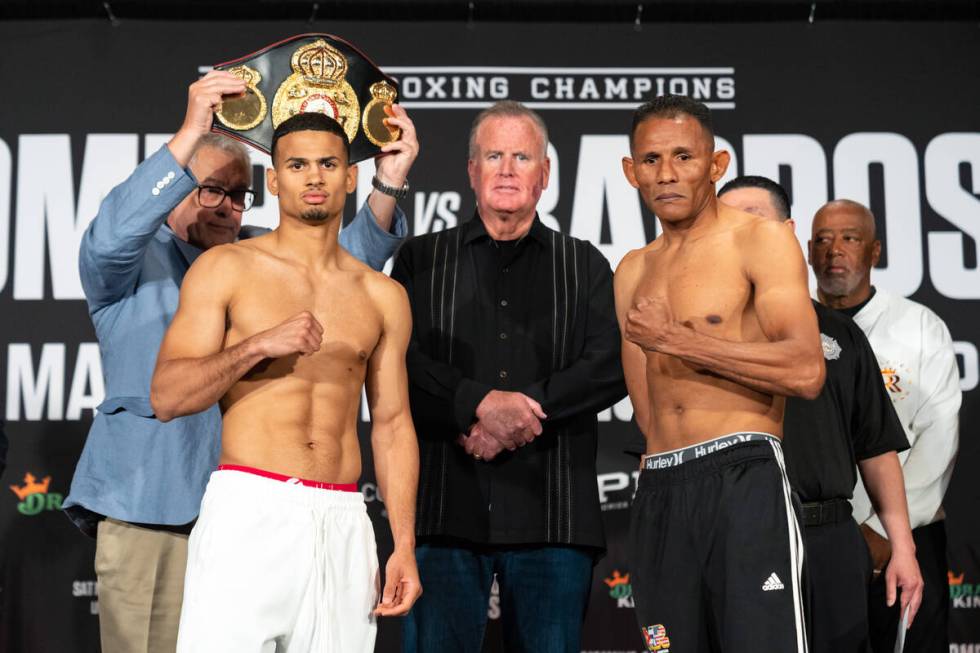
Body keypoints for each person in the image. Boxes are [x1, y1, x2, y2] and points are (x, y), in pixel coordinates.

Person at [63, 70, 417, 653]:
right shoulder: (129, 262)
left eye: (239, 194)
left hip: (263, 498)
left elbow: (339, 271)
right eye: (209, 190)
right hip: (155, 502)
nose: (227, 207)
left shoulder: (254, 256)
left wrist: (389, 183)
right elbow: (112, 232)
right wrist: (190, 132)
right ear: (174, 187)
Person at [148, 111, 421, 652]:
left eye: (328, 164)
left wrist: (404, 544)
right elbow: (167, 396)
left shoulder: (381, 295)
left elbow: (391, 425)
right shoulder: (227, 268)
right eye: (297, 164)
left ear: (351, 177)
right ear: (273, 180)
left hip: (344, 520)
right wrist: (255, 346)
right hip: (249, 511)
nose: (313, 177)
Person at [391, 100, 626, 653]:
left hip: (554, 520)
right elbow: (398, 363)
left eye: (522, 156)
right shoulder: (420, 261)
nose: (506, 168)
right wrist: (476, 403)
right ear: (471, 170)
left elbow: (610, 365)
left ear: (545, 175)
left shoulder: (584, 263)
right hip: (444, 513)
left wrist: (520, 412)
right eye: (493, 155)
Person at [615, 95, 825, 652]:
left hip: (742, 476)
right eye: (652, 160)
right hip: (660, 486)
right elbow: (646, 408)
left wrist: (678, 340)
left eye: (684, 156)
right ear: (631, 171)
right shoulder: (631, 271)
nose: (667, 174)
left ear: (716, 164)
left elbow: (806, 369)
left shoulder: (761, 240)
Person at [719, 176, 923, 652]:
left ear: (788, 231)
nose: (741, 236)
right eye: (727, 226)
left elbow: (875, 446)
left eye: (755, 222)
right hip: (735, 538)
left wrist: (904, 547)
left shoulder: (840, 335)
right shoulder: (698, 338)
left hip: (828, 537)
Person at [810, 199, 961, 653]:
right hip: (818, 538)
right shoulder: (789, 329)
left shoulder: (919, 327)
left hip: (907, 537)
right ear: (806, 251)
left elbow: (940, 435)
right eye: (822, 239)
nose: (834, 249)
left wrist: (882, 530)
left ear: (875, 252)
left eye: (850, 238)